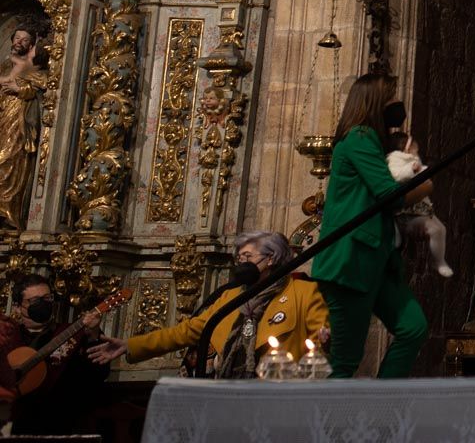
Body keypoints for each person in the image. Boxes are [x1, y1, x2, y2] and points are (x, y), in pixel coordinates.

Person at [310, 72, 430, 378]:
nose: (396, 105)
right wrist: (425, 186)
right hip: (351, 263)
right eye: (390, 98)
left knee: (412, 327)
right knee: (345, 361)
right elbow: (388, 196)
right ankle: (331, 424)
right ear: (375, 103)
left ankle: (381, 400)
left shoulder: (373, 143)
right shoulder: (359, 138)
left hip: (376, 261)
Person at [92, 231, 327, 378]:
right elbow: (188, 331)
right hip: (227, 391)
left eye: (248, 257)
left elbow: (320, 342)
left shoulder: (303, 293)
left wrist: (326, 340)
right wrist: (131, 345)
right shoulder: (230, 297)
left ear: (272, 258)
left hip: (278, 395)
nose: (242, 263)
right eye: (239, 258)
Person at [0, 274, 108, 431]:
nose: (43, 304)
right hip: (16, 424)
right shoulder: (8, 337)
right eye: (35, 301)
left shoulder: (72, 334)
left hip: (65, 423)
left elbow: (98, 374)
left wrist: (94, 335)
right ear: (17, 307)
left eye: (48, 298)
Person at [383, 102, 453, 278]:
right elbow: (396, 175)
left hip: (421, 209)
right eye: (414, 147)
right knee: (413, 231)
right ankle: (396, 236)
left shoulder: (412, 159)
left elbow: (424, 179)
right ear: (405, 147)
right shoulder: (395, 158)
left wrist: (423, 172)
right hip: (405, 211)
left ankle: (438, 260)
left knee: (439, 230)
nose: (417, 150)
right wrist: (413, 170)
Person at [0, 22, 47, 229]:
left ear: (31, 45)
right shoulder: (4, 66)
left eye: (25, 39)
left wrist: (21, 89)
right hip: (2, 117)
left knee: (9, 159)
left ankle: (7, 213)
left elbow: (43, 88)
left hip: (19, 122)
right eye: (17, 38)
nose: (20, 42)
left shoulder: (34, 68)